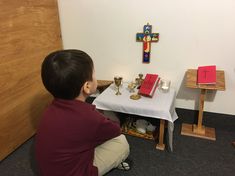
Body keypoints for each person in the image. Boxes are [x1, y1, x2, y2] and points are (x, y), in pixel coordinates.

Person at [35, 49, 130, 176]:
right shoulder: (89, 117)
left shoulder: (49, 110)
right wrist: (99, 115)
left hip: (49, 170)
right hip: (75, 171)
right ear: (87, 86)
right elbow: (115, 130)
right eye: (94, 73)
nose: (96, 76)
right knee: (121, 142)